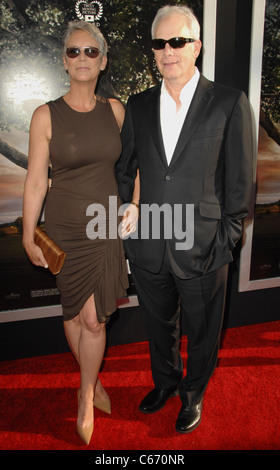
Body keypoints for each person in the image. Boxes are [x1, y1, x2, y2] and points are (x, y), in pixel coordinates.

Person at [116, 5, 253, 433]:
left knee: (205, 330)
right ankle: (165, 382)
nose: (167, 51)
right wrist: (128, 210)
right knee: (158, 327)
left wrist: (226, 239)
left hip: (205, 246)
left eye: (177, 42)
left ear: (197, 46)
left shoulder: (228, 103)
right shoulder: (137, 106)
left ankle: (194, 394)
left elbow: (240, 182)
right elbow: (125, 169)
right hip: (149, 245)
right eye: (160, 43)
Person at [22, 20, 131, 445]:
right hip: (64, 227)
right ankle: (93, 381)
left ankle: (85, 392)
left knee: (94, 318)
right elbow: (34, 180)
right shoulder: (45, 114)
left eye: (91, 52)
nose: (82, 58)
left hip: (104, 225)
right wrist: (29, 232)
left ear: (102, 61)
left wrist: (135, 205)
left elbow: (133, 167)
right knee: (72, 312)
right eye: (73, 51)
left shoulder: (116, 111)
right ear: (63, 60)